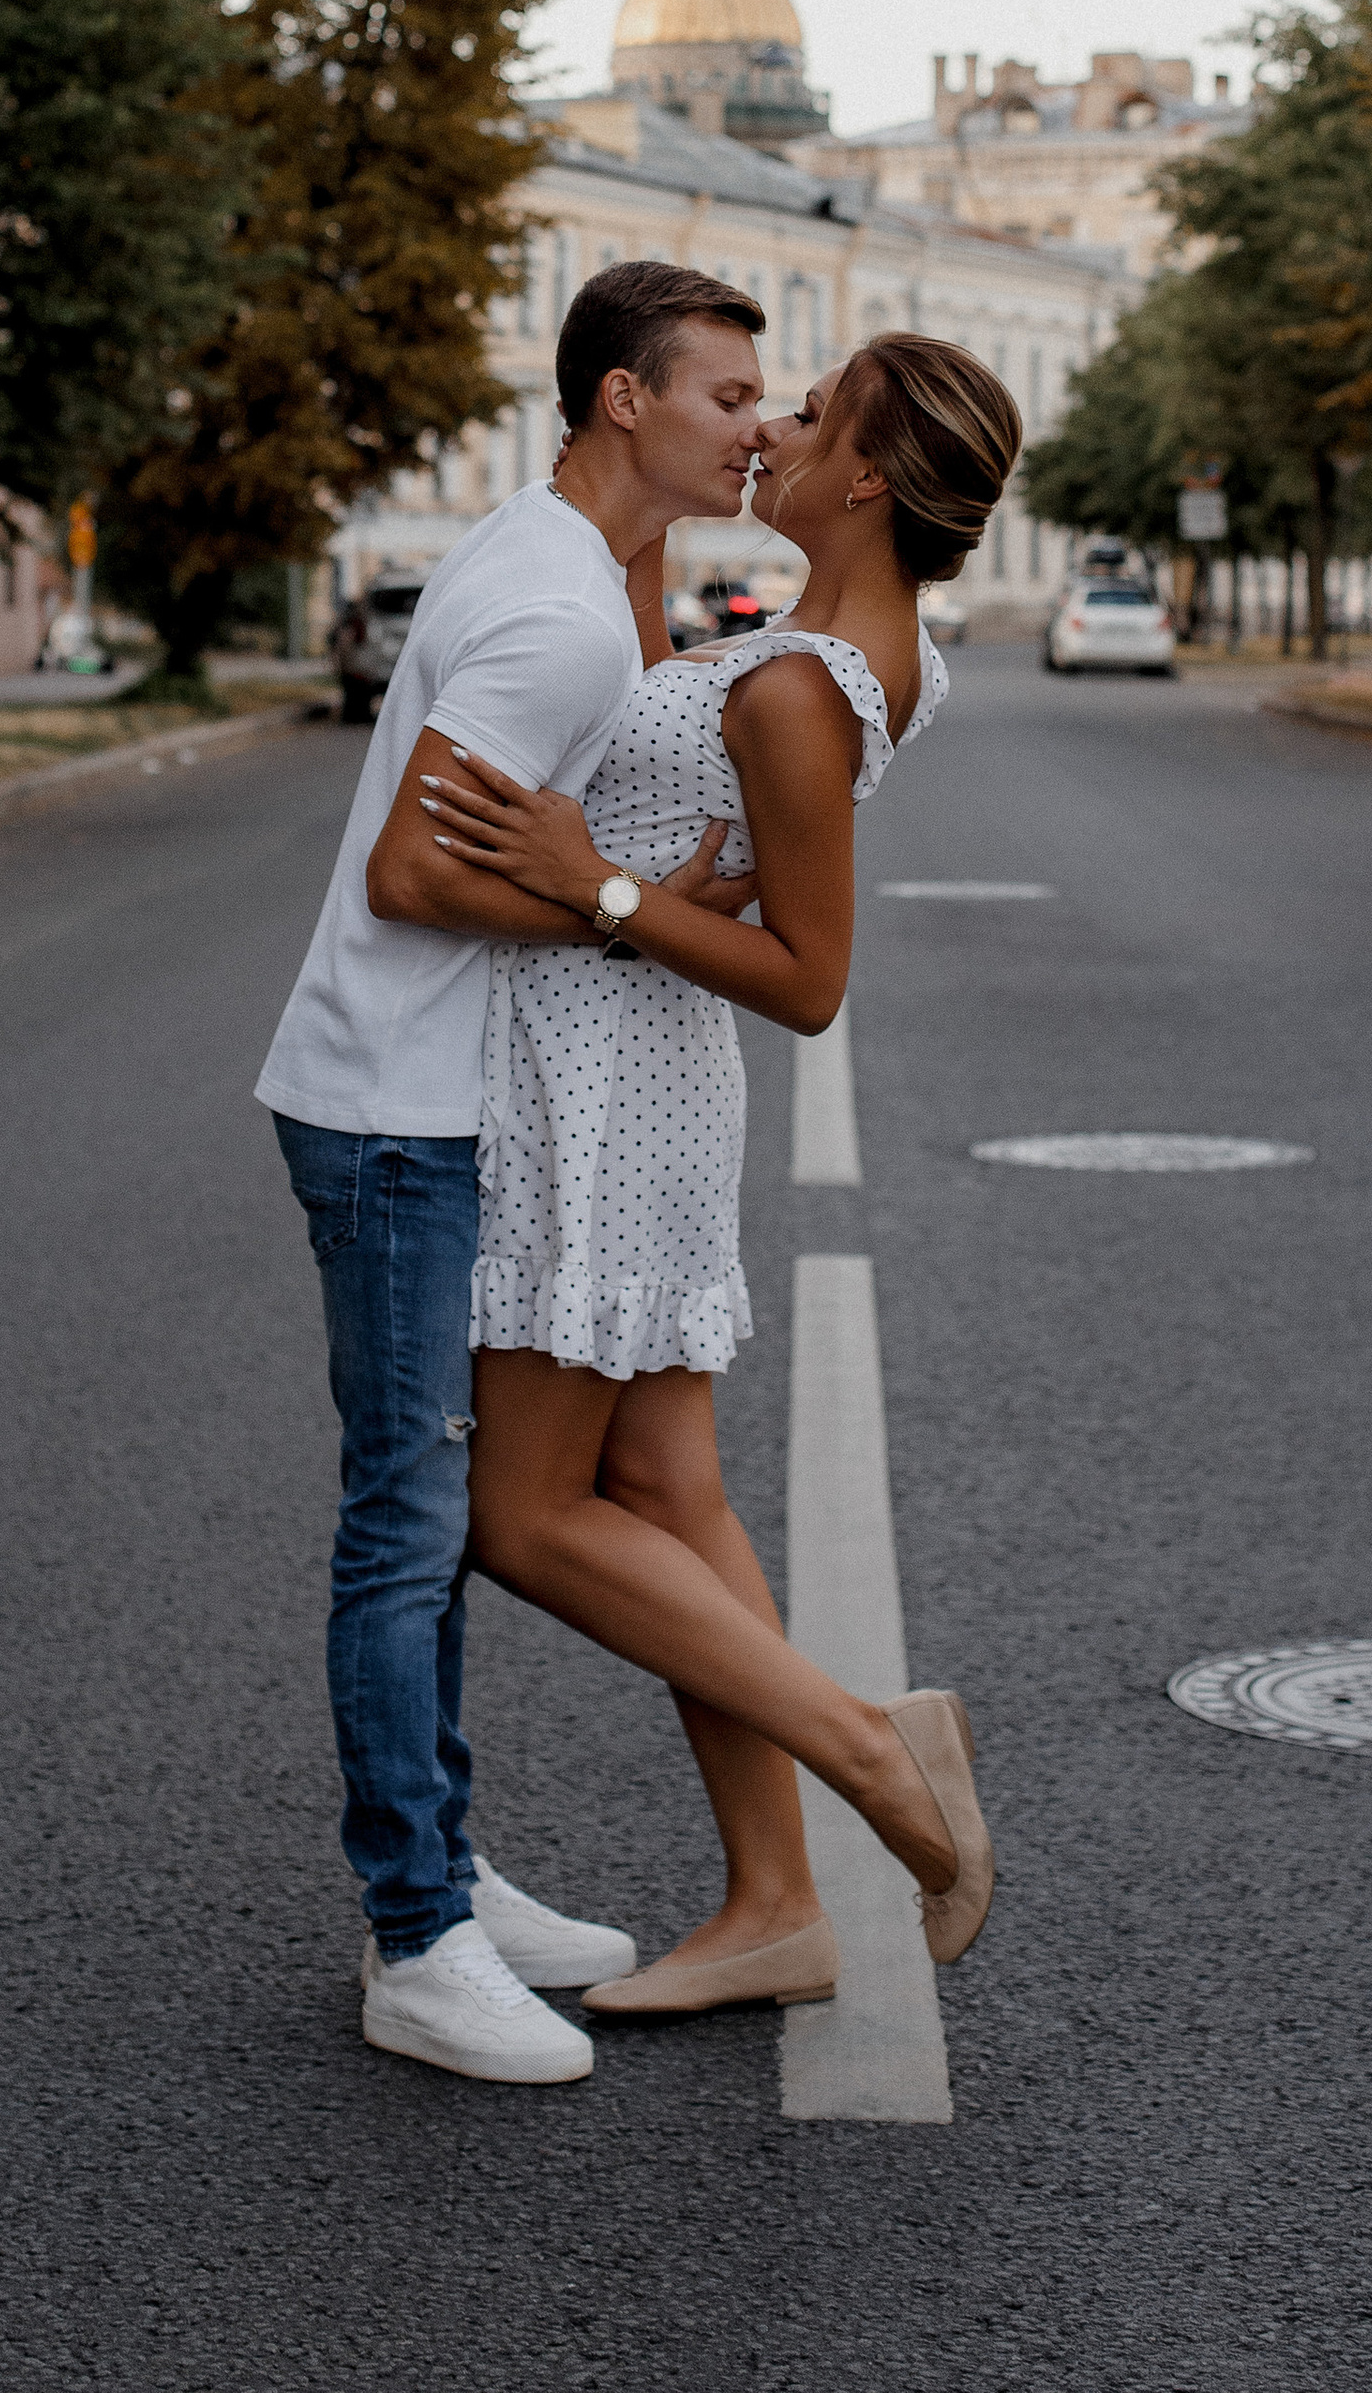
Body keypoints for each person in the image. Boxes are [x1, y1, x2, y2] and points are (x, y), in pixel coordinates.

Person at [414, 335, 1023, 2017]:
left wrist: (596, 889)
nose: (775, 424)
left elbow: (813, 976)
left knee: (524, 1517)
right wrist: (654, 525)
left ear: (869, 484)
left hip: (606, 1087)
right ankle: (774, 1902)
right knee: (671, 1490)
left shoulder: (790, 685)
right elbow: (707, 808)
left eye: (808, 414)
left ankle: (874, 1757)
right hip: (647, 1074)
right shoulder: (857, 652)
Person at [256, 261, 772, 2084]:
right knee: (407, 1527)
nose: (757, 426)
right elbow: (410, 874)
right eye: (723, 396)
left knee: (434, 1526)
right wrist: (617, 907)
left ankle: (444, 1863)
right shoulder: (564, 614)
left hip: (409, 1093)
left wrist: (608, 896)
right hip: (398, 1109)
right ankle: (414, 1937)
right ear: (623, 401)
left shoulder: (555, 558)